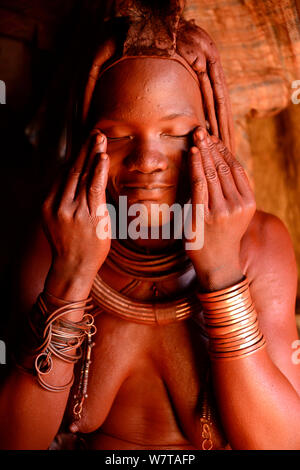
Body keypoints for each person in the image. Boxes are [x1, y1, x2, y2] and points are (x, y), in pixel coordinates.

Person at [0, 0, 300, 450]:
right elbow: (16, 441)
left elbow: (283, 443)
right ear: (86, 141)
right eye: (118, 135)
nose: (147, 161)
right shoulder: (54, 242)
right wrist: (73, 273)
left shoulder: (257, 243)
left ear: (210, 135)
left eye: (176, 133)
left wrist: (220, 271)